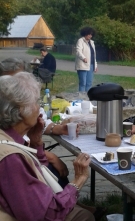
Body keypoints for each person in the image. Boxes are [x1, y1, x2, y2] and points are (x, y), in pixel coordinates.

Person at [0, 72, 94, 221]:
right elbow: (47, 214)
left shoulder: (8, 138)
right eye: (37, 102)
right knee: (84, 216)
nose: (40, 109)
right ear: (21, 111)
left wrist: (37, 144)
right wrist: (78, 180)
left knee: (81, 210)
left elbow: (38, 176)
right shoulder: (11, 158)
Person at [75, 27, 97, 93]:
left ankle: (88, 98)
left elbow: (93, 55)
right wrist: (83, 58)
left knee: (89, 83)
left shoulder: (92, 43)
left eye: (91, 34)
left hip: (91, 65)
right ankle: (81, 97)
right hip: (82, 65)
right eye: (89, 34)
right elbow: (78, 51)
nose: (91, 36)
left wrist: (95, 65)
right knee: (83, 83)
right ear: (85, 34)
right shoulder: (80, 41)